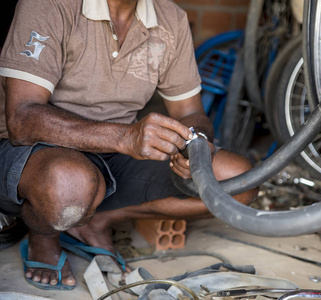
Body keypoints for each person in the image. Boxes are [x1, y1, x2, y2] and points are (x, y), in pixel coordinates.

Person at [0, 0, 257, 289]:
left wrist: (196, 145)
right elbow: (22, 119)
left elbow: (189, 111)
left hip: (116, 154)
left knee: (238, 182)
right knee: (69, 186)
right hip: (36, 151)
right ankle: (44, 234)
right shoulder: (49, 5)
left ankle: (96, 219)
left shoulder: (170, 18)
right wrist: (125, 137)